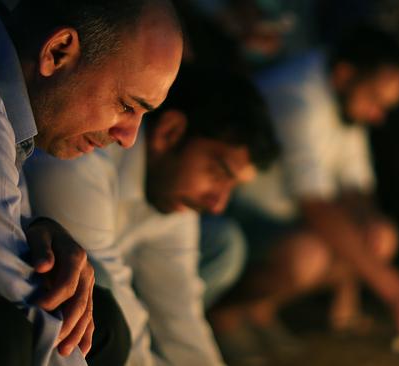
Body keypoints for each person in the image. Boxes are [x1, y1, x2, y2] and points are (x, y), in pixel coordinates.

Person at [0, 0, 182, 365]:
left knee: (94, 320)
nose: (129, 137)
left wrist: (35, 231)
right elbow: (29, 316)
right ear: (57, 52)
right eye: (126, 106)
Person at [24, 66, 279, 366]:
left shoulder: (173, 190)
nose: (217, 204)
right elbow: (114, 297)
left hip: (118, 284)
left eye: (232, 187)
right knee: (100, 287)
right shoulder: (81, 160)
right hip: (24, 304)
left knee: (222, 245)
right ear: (170, 132)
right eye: (218, 172)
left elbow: (178, 307)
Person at [216, 26, 399, 349]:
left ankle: (260, 312)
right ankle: (225, 314)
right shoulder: (296, 97)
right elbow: (315, 205)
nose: (378, 116)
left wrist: (370, 222)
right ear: (345, 74)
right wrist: (398, 293)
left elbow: (355, 187)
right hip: (241, 215)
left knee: (380, 234)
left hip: (288, 220)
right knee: (308, 256)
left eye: (386, 107)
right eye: (375, 100)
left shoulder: (344, 95)